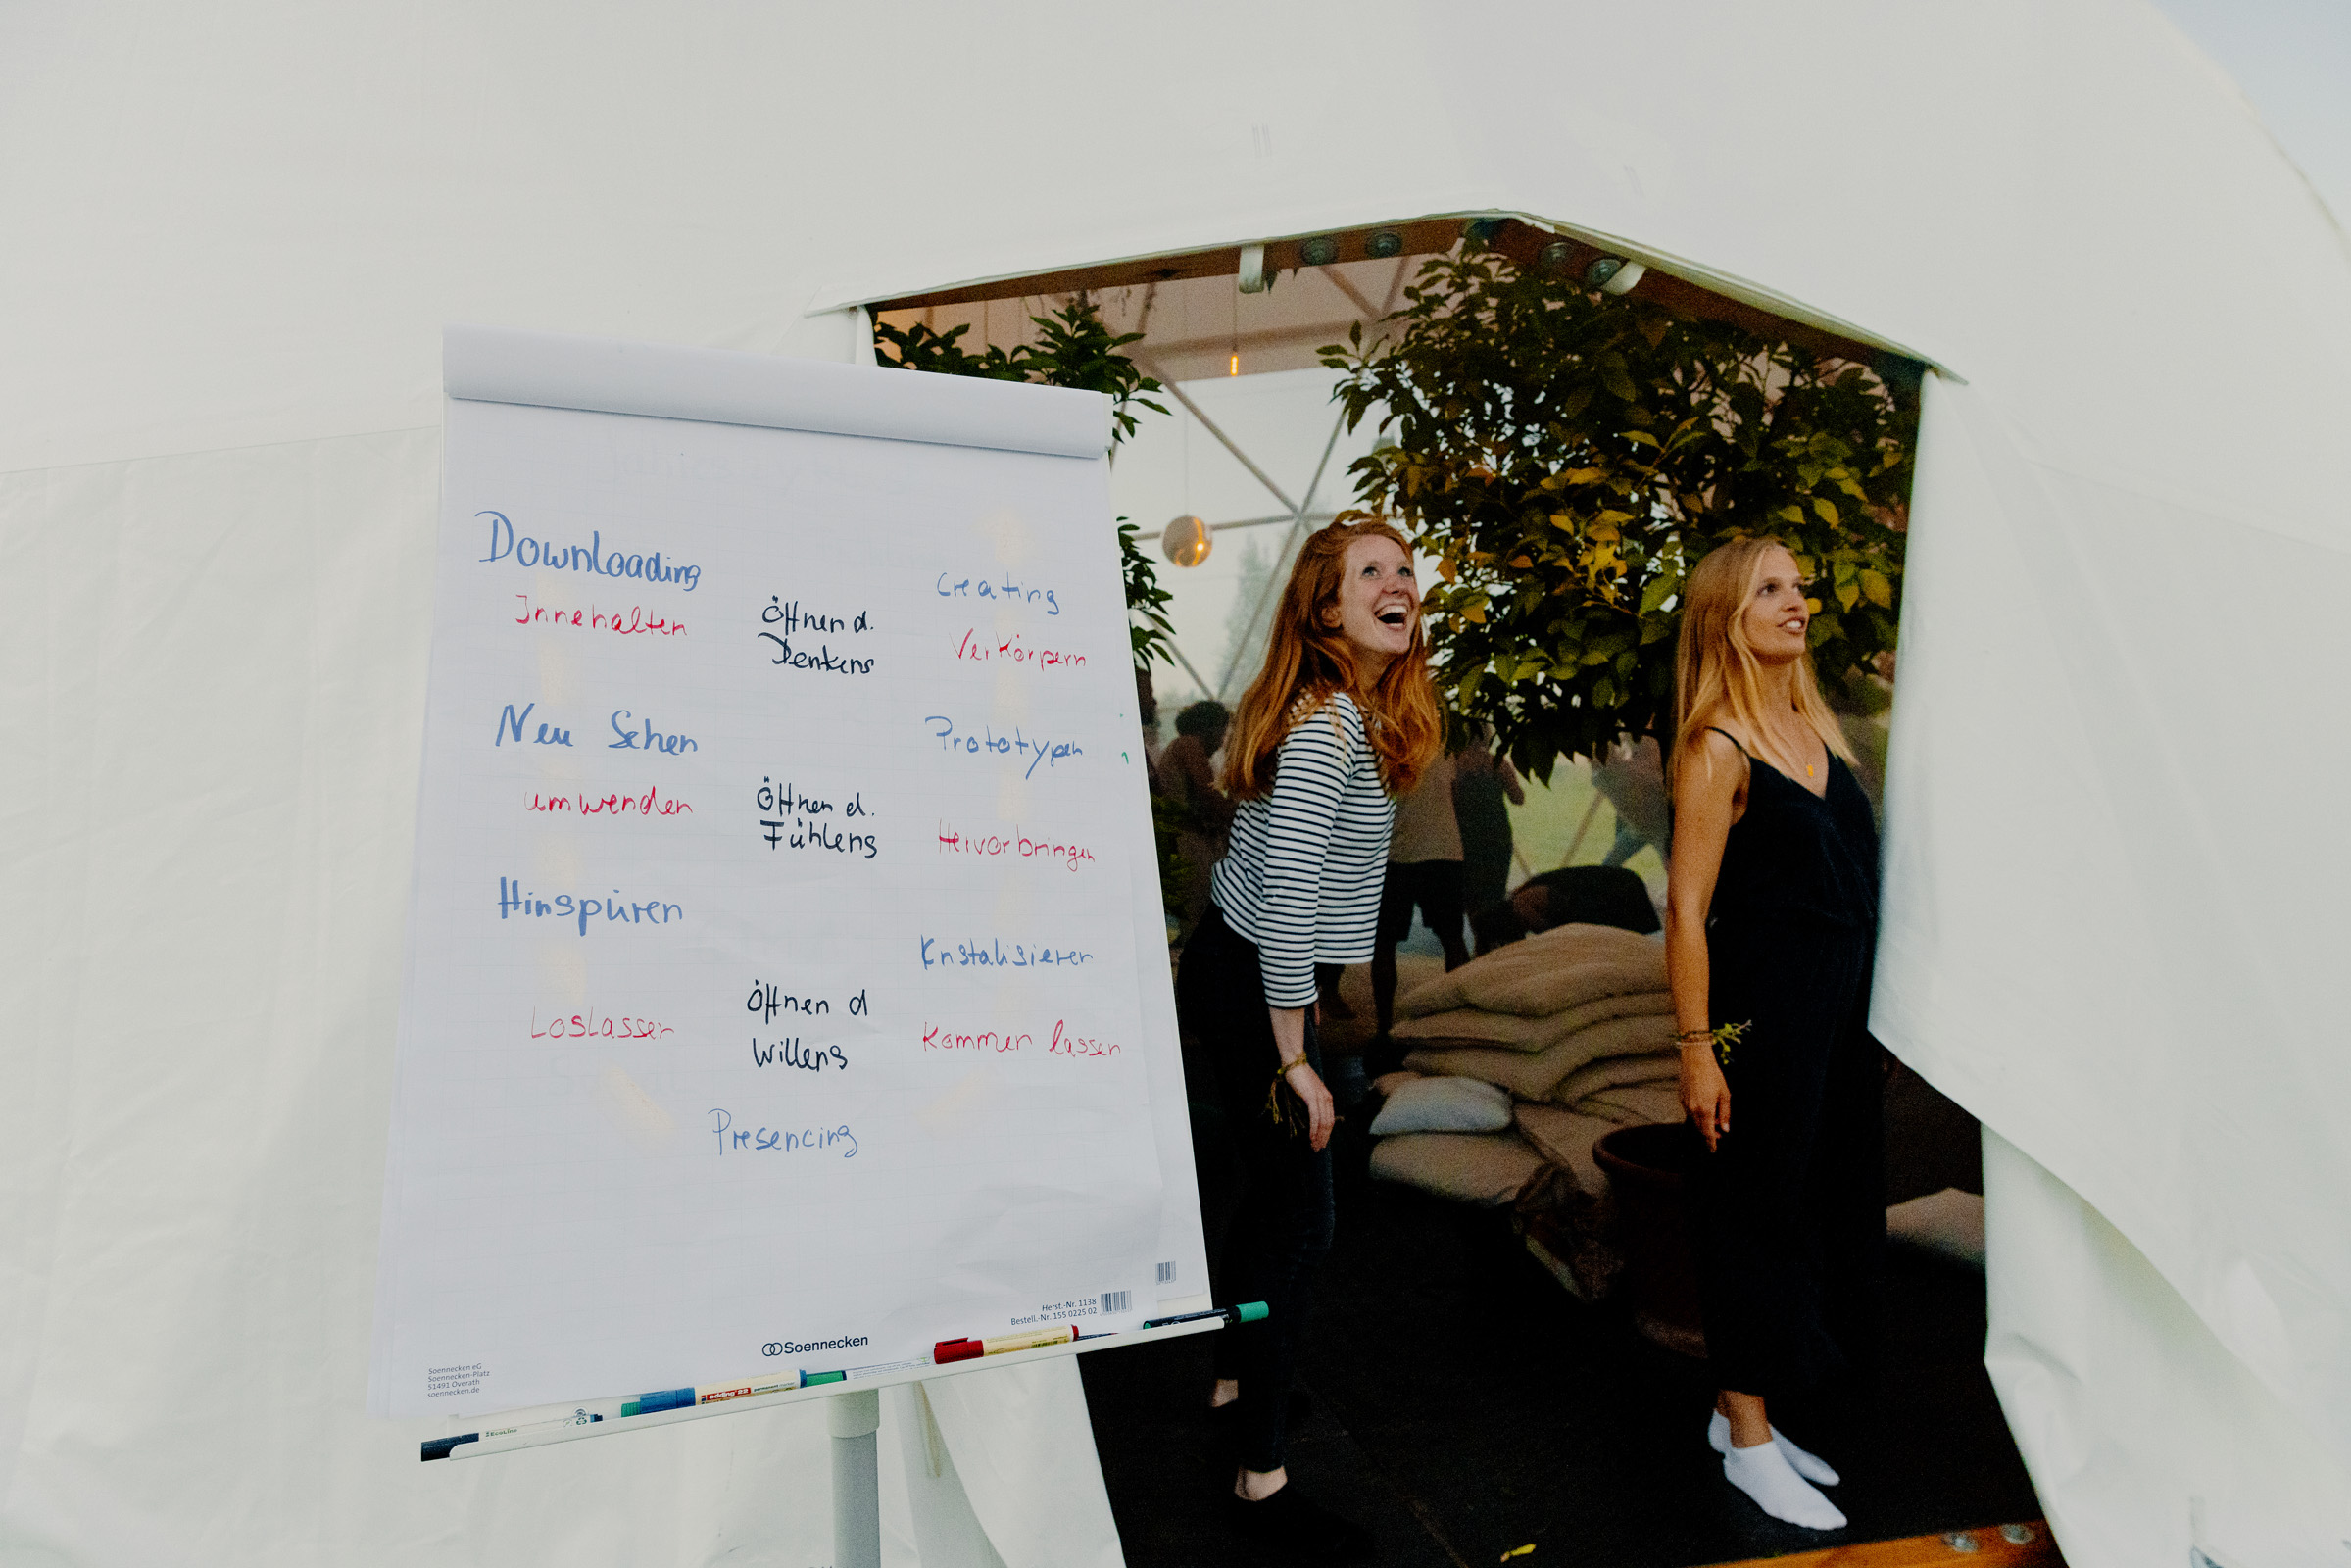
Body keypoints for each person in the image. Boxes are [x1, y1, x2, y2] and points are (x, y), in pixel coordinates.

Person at [1174, 519, 1441, 1562]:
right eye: (1367, 573)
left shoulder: (1353, 717)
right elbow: (1285, 901)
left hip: (1253, 980)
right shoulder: (1328, 727)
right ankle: (1260, 1473)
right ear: (1326, 611)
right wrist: (1295, 1055)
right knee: (1304, 1218)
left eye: (1403, 570)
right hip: (1254, 983)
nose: (1395, 583)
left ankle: (1237, 1369)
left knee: (1282, 1199)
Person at [1664, 536, 1885, 1532]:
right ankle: (1748, 1436)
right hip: (1762, 1016)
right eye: (1769, 588)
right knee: (1750, 1212)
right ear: (1726, 614)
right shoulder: (1717, 744)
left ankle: (1735, 1408)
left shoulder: (1814, 731)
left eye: (1798, 584)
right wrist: (1695, 1045)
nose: (1795, 600)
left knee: (1811, 1209)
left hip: (1833, 1017)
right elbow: (1683, 908)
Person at [1368, 750, 1470, 1064]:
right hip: (1444, 850)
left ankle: (1384, 1027)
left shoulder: (1382, 744)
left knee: (1383, 944)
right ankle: (1463, 1022)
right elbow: (1455, 794)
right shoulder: (1442, 746)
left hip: (1394, 854)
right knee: (1453, 939)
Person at [1154, 700, 1235, 939]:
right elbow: (1207, 793)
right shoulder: (1189, 745)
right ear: (1209, 728)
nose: (1221, 743)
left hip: (1187, 841)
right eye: (1221, 733)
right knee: (1199, 923)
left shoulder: (1180, 747)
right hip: (1188, 844)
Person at [1450, 722, 1525, 917]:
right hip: (1497, 837)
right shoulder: (1497, 762)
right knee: (1494, 895)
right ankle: (1491, 940)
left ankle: (1480, 939)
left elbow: (1452, 800)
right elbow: (1518, 798)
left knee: (1472, 897)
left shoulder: (1455, 764)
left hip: (1466, 839)